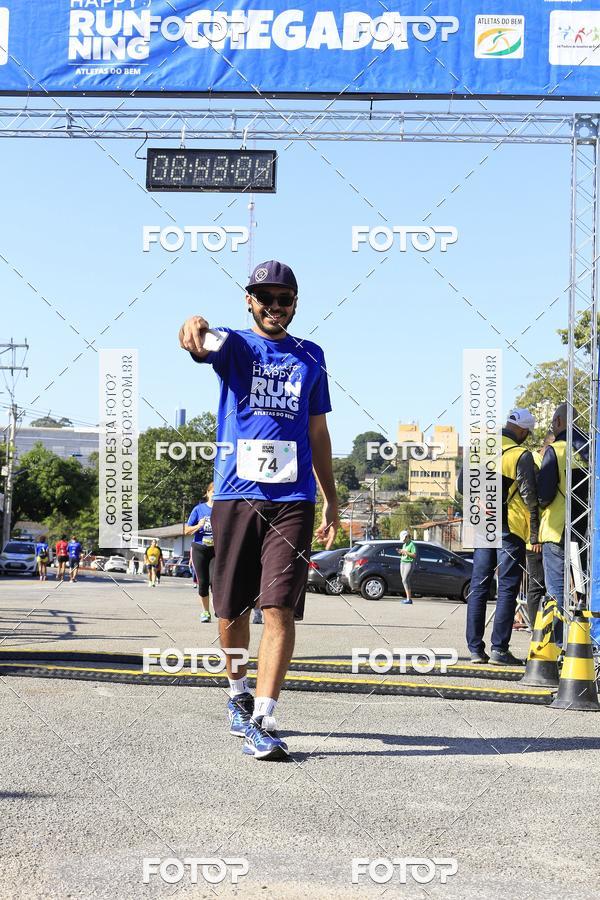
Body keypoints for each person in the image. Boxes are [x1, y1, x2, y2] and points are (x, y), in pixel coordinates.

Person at [179, 259, 338, 761]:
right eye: (264, 298)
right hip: (235, 493)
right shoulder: (236, 345)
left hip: (293, 499)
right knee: (231, 608)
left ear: (296, 303)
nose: (274, 306)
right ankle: (237, 692)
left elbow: (318, 433)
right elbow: (199, 342)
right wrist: (193, 324)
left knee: (279, 606)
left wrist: (332, 499)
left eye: (283, 299)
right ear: (249, 301)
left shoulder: (312, 356)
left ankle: (263, 715)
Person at [461, 409, 540, 665]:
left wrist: (479, 500)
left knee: (479, 585)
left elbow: (463, 484)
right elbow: (529, 496)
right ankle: (499, 650)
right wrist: (535, 532)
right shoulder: (521, 454)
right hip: (510, 527)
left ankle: (474, 649)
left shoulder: (481, 447)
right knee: (507, 586)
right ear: (523, 431)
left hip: (483, 527)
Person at [537, 402, 589, 645]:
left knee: (556, 592)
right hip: (583, 532)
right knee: (582, 589)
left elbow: (544, 493)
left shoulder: (555, 450)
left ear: (558, 422)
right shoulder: (590, 449)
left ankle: (556, 647)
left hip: (557, 530)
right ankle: (585, 644)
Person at [185, 483, 215, 623]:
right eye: (213, 492)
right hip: (200, 549)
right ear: (207, 493)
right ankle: (205, 612)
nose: (215, 494)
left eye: (218, 492)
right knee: (203, 583)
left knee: (215, 581)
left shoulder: (222, 509)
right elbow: (186, 530)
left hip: (216, 550)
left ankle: (219, 609)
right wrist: (198, 525)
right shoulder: (199, 509)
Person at [397, 529, 417, 604]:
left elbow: (414, 555)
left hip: (409, 563)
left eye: (404, 539)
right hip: (402, 562)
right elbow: (404, 554)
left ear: (406, 537)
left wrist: (406, 552)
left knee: (404, 580)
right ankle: (408, 598)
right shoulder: (404, 544)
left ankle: (409, 599)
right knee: (404, 580)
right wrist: (400, 552)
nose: (403, 541)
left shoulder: (412, 544)